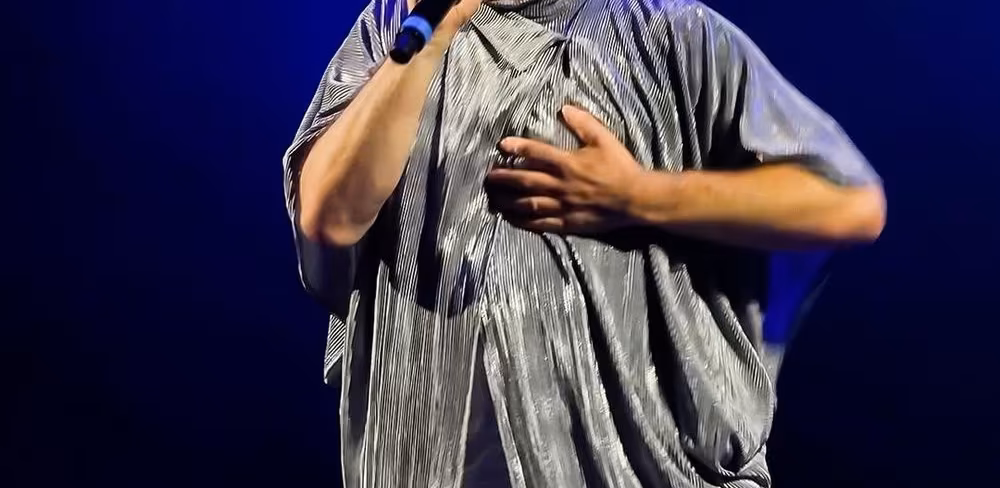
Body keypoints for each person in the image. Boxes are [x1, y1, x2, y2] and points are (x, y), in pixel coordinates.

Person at [281, 0, 886, 486]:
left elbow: (849, 204)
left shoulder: (674, 33)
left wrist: (638, 197)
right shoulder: (396, 28)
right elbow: (330, 218)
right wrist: (434, 35)